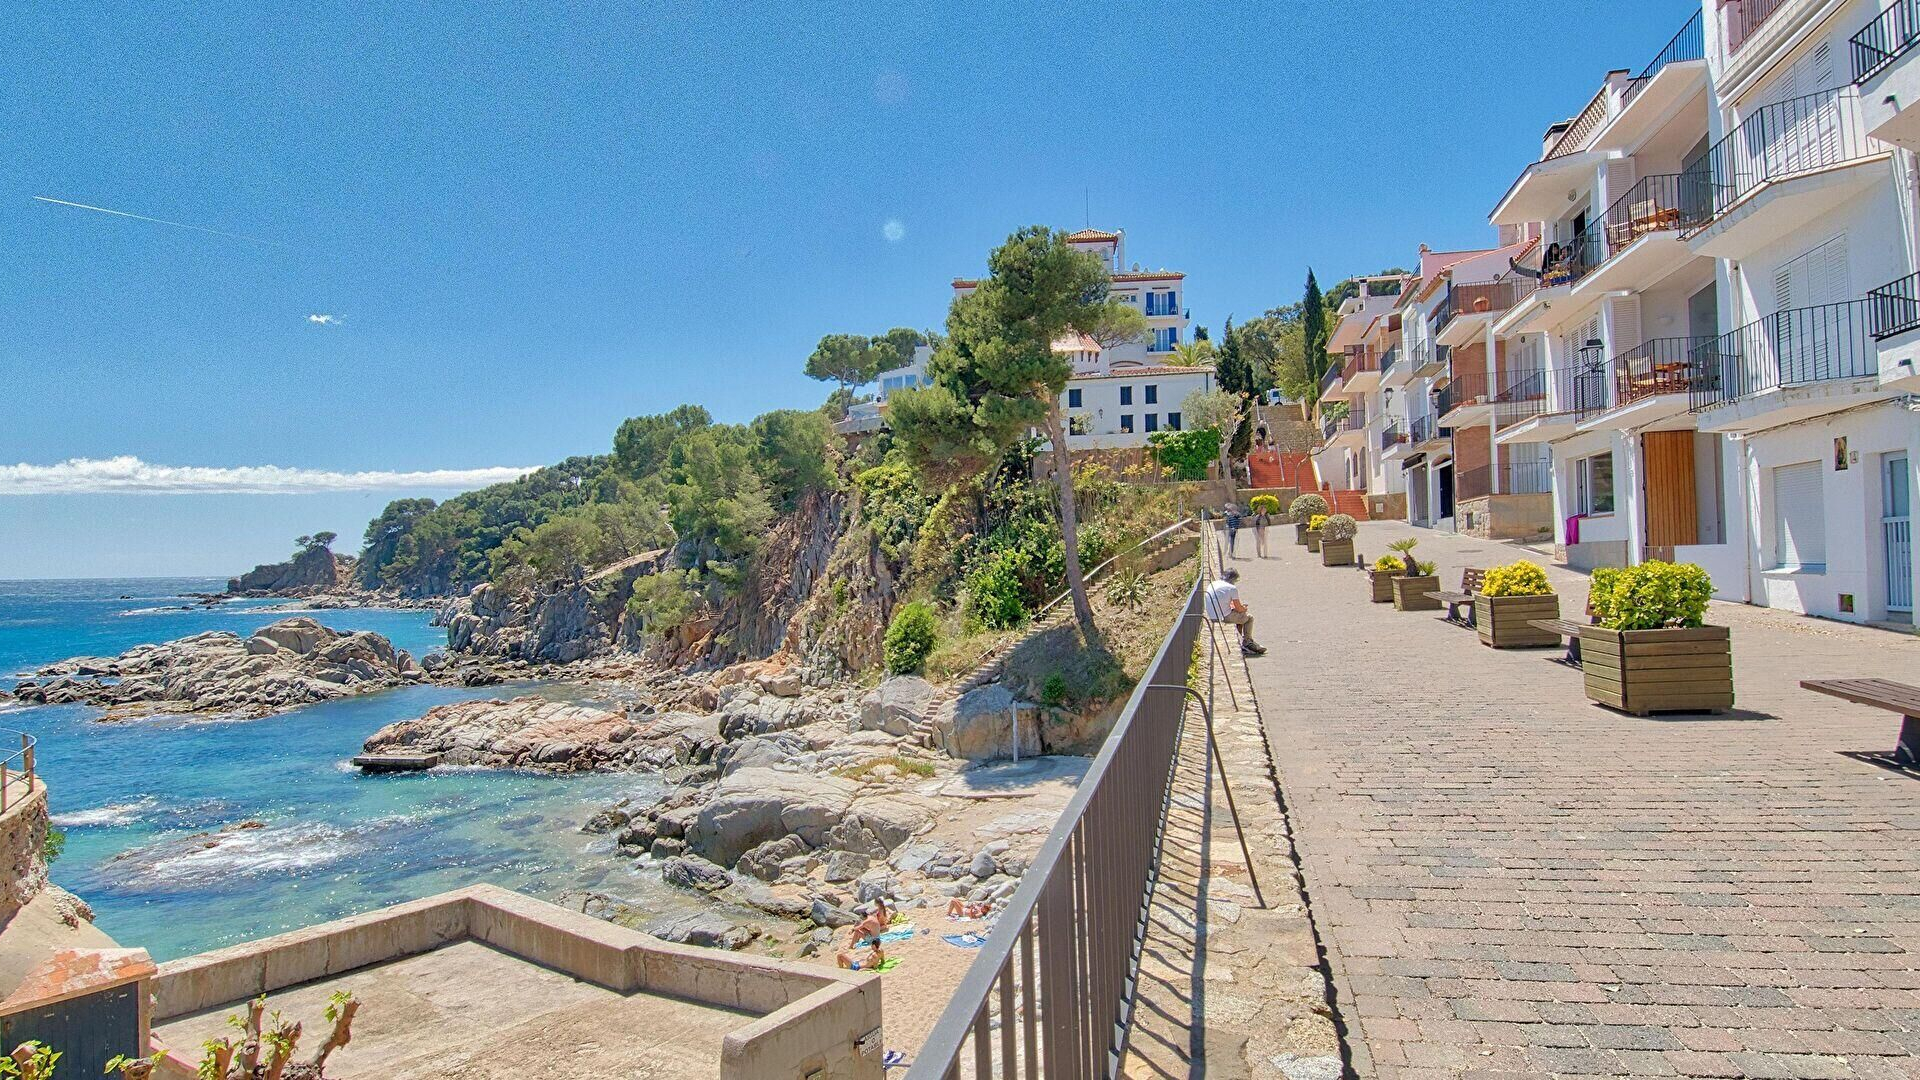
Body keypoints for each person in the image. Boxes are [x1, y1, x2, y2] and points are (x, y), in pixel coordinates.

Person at [1205, 567, 1265, 656]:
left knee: (1238, 616)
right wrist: (1244, 608)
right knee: (1248, 618)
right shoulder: (1232, 588)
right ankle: (1248, 642)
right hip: (1223, 617)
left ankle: (1241, 642)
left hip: (1211, 615)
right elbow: (1239, 608)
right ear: (1233, 579)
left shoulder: (1212, 584)